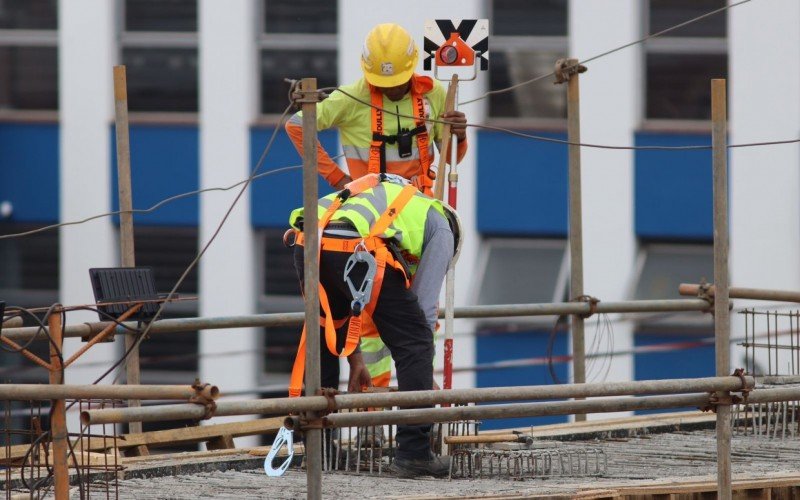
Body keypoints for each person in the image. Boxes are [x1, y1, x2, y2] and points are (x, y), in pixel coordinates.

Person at [286, 22, 468, 389]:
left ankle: (417, 386)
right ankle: (375, 406)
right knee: (366, 315)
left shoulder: (433, 96)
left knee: (418, 309)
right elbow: (296, 125)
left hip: (415, 219)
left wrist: (458, 135)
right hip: (369, 223)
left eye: (397, 82)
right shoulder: (351, 97)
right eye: (382, 85)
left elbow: (450, 160)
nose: (390, 89)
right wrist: (337, 180)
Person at [286, 174, 458, 477]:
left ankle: (319, 450)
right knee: (416, 341)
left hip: (308, 241)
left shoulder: (387, 199)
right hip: (353, 246)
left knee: (326, 334)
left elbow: (349, 311)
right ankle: (415, 453)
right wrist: (421, 382)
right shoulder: (443, 228)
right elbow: (425, 313)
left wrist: (355, 360)